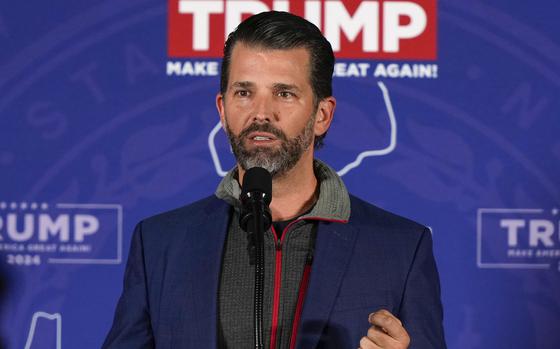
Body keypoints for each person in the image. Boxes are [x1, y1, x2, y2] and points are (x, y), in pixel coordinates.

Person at [103, 11, 446, 349]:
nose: (261, 112)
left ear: (322, 115)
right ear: (222, 110)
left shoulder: (401, 248)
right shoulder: (160, 243)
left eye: (284, 93)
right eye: (244, 93)